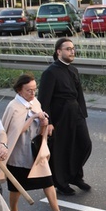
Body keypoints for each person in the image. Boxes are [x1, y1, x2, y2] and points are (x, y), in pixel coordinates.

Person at [1, 73, 72, 211]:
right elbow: (15, 131)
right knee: (16, 186)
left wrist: (44, 123)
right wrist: (32, 118)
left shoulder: (35, 103)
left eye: (34, 89)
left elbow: (40, 130)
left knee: (48, 180)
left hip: (35, 150)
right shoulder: (13, 107)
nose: (33, 93)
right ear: (19, 90)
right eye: (29, 90)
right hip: (19, 153)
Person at [37, 37, 92, 196]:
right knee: (62, 150)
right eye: (68, 49)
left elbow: (79, 94)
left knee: (84, 144)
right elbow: (44, 100)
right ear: (58, 52)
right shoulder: (50, 72)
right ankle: (61, 183)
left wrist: (82, 114)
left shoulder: (73, 70)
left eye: (73, 48)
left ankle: (75, 176)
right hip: (60, 116)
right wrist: (49, 122)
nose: (72, 51)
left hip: (76, 114)